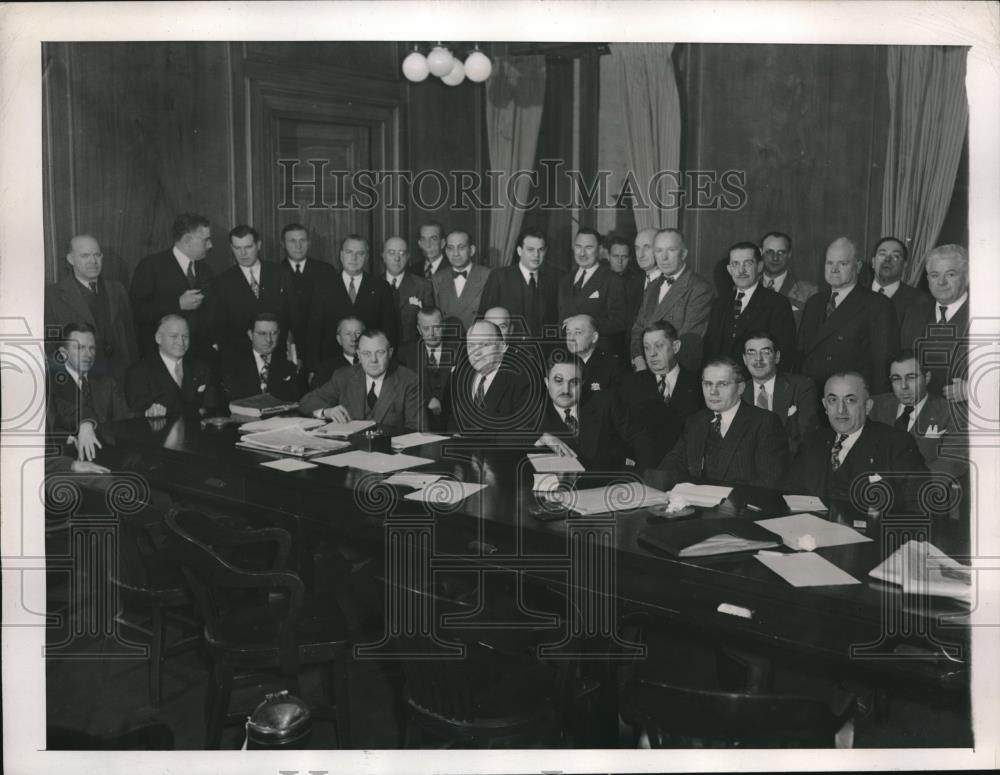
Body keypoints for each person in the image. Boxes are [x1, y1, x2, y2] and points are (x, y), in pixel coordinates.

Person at [783, 372, 927, 509]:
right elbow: (791, 492)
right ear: (825, 406)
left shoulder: (896, 443)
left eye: (850, 400)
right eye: (833, 400)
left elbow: (918, 505)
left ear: (868, 406)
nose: (841, 410)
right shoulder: (813, 442)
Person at [657, 357, 788, 488]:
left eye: (722, 384)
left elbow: (769, 483)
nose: (713, 392)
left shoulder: (764, 422)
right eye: (708, 384)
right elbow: (670, 467)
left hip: (740, 506)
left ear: (740, 388)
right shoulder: (695, 422)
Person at [798, 237, 897, 394]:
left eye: (842, 264)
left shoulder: (877, 305)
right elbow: (801, 353)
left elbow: (882, 365)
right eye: (829, 263)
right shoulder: (814, 302)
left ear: (857, 267)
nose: (834, 269)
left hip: (850, 398)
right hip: (812, 397)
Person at [45, 234, 137, 382]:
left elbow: (130, 340)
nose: (93, 261)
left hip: (120, 379)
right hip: (81, 382)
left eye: (97, 255)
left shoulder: (117, 290)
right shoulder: (52, 296)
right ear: (70, 259)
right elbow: (51, 348)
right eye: (85, 256)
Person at [617, 321, 704, 468]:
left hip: (683, 471)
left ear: (676, 347)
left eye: (659, 346)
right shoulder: (629, 385)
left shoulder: (698, 385)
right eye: (646, 347)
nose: (652, 354)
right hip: (640, 471)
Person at [300, 329, 423, 431]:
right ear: (358, 354)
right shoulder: (344, 376)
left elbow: (416, 432)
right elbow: (306, 401)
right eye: (366, 353)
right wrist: (327, 412)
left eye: (380, 352)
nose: (373, 360)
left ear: (390, 353)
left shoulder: (409, 380)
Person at [130, 213, 215, 357]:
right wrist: (177, 304)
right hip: (160, 357)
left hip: (199, 359)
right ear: (187, 239)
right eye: (205, 240)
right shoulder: (151, 266)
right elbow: (137, 312)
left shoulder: (206, 270)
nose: (210, 245)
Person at [629, 228, 714, 373]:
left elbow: (688, 341)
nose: (664, 257)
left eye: (671, 250)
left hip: (674, 372)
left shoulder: (699, 288)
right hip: (645, 368)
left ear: (684, 254)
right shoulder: (653, 285)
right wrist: (639, 360)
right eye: (659, 251)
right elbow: (638, 328)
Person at [868, 351, 963, 476]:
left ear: (927, 378)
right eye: (896, 379)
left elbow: (951, 463)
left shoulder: (950, 413)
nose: (903, 386)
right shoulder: (873, 406)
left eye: (911, 377)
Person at [702, 241, 796, 366]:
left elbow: (784, 353)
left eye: (748, 263)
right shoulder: (719, 303)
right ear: (729, 269)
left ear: (759, 266)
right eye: (735, 264)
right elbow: (710, 349)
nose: (741, 270)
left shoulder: (777, 304)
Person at [47, 323, 131, 462]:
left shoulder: (107, 383)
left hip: (112, 458)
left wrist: (148, 413)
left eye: (92, 348)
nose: (88, 354)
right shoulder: (50, 385)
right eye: (80, 348)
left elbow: (126, 420)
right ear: (63, 353)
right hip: (70, 464)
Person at [899, 244, 970, 407]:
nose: (941, 282)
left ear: (967, 277)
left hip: (966, 417)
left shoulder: (987, 315)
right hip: (919, 415)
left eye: (950, 274)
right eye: (934, 275)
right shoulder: (913, 314)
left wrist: (975, 389)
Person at [443, 319, 541, 437]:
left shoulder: (522, 382)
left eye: (484, 344)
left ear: (502, 347)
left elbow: (522, 433)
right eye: (471, 345)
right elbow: (452, 419)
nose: (476, 352)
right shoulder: (460, 375)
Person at [533, 352, 626, 470]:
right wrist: (543, 437)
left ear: (582, 384)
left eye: (574, 382)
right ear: (547, 383)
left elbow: (638, 440)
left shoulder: (604, 405)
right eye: (558, 381)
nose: (566, 390)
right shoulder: (533, 414)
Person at [208, 225, 289, 357]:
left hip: (278, 354)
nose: (243, 254)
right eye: (237, 248)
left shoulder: (280, 273)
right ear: (231, 248)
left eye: (248, 247)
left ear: (258, 245)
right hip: (240, 358)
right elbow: (218, 327)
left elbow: (293, 316)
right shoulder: (222, 282)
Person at [124, 314, 222, 417]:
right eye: (173, 336)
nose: (181, 342)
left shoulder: (201, 369)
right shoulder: (138, 372)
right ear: (158, 338)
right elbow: (138, 414)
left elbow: (212, 410)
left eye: (185, 336)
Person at [316, 235, 399, 355]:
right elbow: (315, 330)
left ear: (367, 257)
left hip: (371, 360)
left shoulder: (381, 287)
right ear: (341, 255)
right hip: (331, 361)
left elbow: (390, 330)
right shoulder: (324, 287)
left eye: (360, 253)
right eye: (349, 252)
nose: (354, 258)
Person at [741, 332, 819, 456]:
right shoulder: (739, 392)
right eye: (751, 352)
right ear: (744, 359)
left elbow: (806, 440)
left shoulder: (802, 387)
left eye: (765, 352)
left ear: (777, 357)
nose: (758, 359)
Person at [478, 227, 562, 340]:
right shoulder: (499, 277)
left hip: (541, 352)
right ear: (519, 251)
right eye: (530, 249)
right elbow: (483, 317)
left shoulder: (552, 281)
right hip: (508, 353)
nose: (536, 255)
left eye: (541, 250)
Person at [277, 223, 338, 375]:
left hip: (322, 349)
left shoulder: (326, 271)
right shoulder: (274, 273)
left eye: (302, 241)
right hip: (289, 350)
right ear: (283, 244)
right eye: (292, 241)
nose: (298, 246)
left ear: (309, 243)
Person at [556, 228, 627, 353]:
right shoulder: (564, 281)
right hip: (568, 355)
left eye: (589, 247)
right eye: (578, 247)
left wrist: (585, 324)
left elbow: (620, 322)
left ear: (599, 250)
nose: (582, 253)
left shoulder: (612, 280)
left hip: (599, 354)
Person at [396, 306, 459, 433]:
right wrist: (427, 399)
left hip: (453, 424)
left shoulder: (458, 350)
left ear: (444, 326)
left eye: (437, 328)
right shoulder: (406, 353)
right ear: (419, 329)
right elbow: (401, 388)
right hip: (419, 425)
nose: (432, 334)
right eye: (426, 328)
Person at [220, 313, 301, 403]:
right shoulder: (232, 366)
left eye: (274, 333)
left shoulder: (289, 367)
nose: (269, 339)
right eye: (262, 333)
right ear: (250, 334)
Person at [432, 230, 492, 335]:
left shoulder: (488, 276)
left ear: (472, 250)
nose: (455, 254)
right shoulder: (437, 278)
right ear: (446, 251)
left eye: (461, 247)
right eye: (450, 248)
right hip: (448, 341)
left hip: (478, 340)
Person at [382, 236, 433, 345]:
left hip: (412, 352)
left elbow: (430, 325)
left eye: (402, 253)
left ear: (408, 256)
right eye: (391, 253)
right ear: (383, 256)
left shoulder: (423, 286)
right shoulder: (374, 285)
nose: (397, 258)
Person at [759, 231, 818, 327]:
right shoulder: (747, 287)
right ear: (761, 252)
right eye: (769, 252)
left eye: (781, 252)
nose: (775, 258)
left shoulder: (810, 291)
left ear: (789, 254)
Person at [869, 236, 929, 325]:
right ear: (873, 262)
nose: (887, 259)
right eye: (882, 254)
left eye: (895, 256)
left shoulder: (920, 301)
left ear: (904, 265)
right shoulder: (855, 295)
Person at [564, 314, 625, 396]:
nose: (571, 338)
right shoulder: (561, 364)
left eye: (578, 332)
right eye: (568, 333)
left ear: (594, 337)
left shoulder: (613, 366)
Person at [308, 316, 365, 390]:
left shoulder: (378, 365)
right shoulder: (325, 370)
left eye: (358, 333)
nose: (354, 338)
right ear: (339, 339)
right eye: (348, 334)